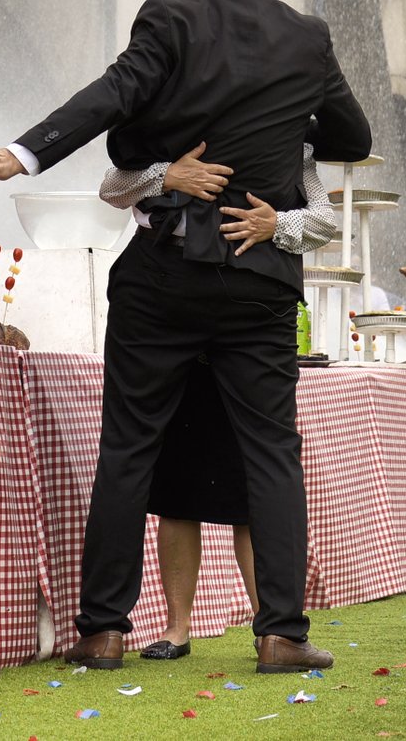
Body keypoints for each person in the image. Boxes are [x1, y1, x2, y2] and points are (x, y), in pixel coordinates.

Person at [0, 0, 372, 673]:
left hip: (161, 277)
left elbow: (112, 98)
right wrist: (285, 125)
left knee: (128, 447)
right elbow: (354, 137)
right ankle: (281, 632)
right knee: (272, 452)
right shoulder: (307, 40)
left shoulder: (169, 21)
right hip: (259, 282)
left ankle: (103, 630)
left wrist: (24, 151)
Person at [99, 140, 334, 659]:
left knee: (251, 485)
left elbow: (325, 218)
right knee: (177, 482)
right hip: (169, 315)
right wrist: (168, 175)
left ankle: (269, 625)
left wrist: (279, 227)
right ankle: (177, 627)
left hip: (246, 320)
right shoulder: (173, 125)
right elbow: (114, 186)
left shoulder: (288, 137)